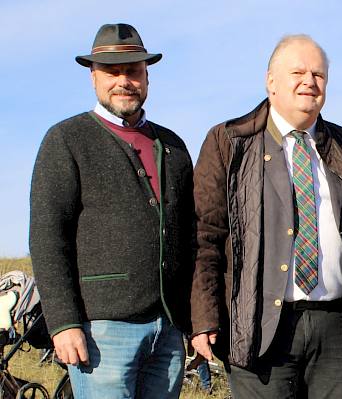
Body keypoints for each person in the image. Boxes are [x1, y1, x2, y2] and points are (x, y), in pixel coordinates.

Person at [190, 34, 342, 398]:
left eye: (318, 75)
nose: (309, 82)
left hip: (337, 328)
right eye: (298, 72)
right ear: (270, 81)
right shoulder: (230, 141)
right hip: (259, 325)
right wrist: (204, 316)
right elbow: (205, 234)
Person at [29, 23, 193, 398]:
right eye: (112, 71)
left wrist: (188, 320)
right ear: (93, 78)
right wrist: (64, 323)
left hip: (167, 329)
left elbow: (189, 235)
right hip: (100, 331)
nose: (124, 80)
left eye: (133, 70)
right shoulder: (67, 139)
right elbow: (47, 235)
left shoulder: (174, 146)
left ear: (147, 76)